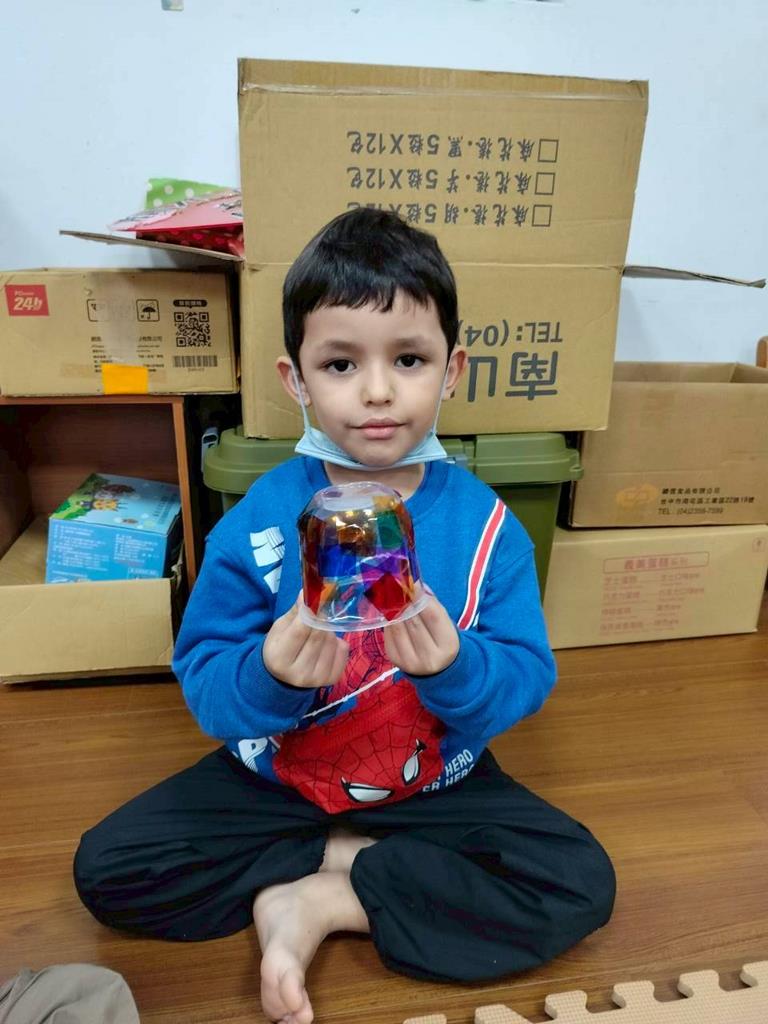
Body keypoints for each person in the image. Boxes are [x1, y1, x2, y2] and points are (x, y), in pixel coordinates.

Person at [74, 208, 616, 1024]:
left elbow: (528, 675)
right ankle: (353, 859)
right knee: (110, 868)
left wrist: (457, 668)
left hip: (435, 781)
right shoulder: (256, 524)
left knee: (578, 880)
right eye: (339, 363)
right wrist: (268, 674)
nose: (377, 391)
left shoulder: (488, 528)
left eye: (409, 359)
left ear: (452, 370)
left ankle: (326, 898)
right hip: (281, 782)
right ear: (295, 380)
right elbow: (206, 681)